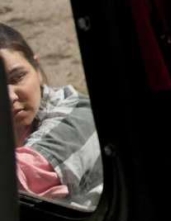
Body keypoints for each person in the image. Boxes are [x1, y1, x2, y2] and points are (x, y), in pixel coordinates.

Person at [1, 23, 102, 210]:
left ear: (37, 70)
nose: (10, 96)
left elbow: (22, 176)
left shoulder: (78, 118)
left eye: (17, 78)